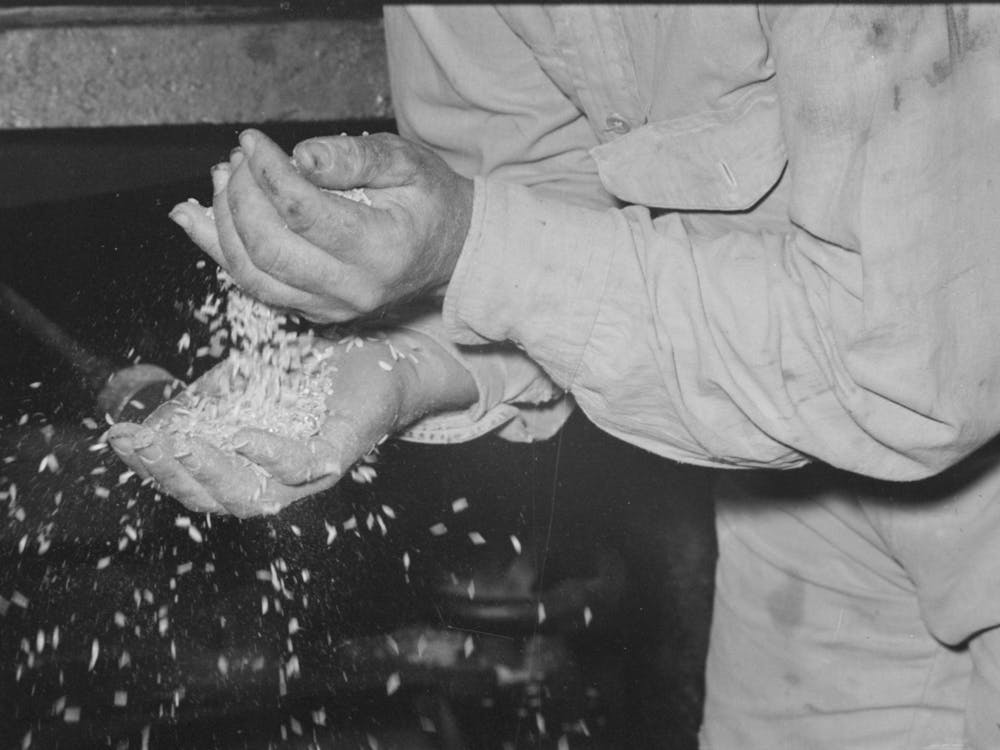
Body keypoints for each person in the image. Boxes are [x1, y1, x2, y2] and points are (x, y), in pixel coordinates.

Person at [107, 5, 1000, 748]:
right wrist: (390, 360)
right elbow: (536, 197)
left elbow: (912, 366)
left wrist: (468, 245)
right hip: (811, 488)